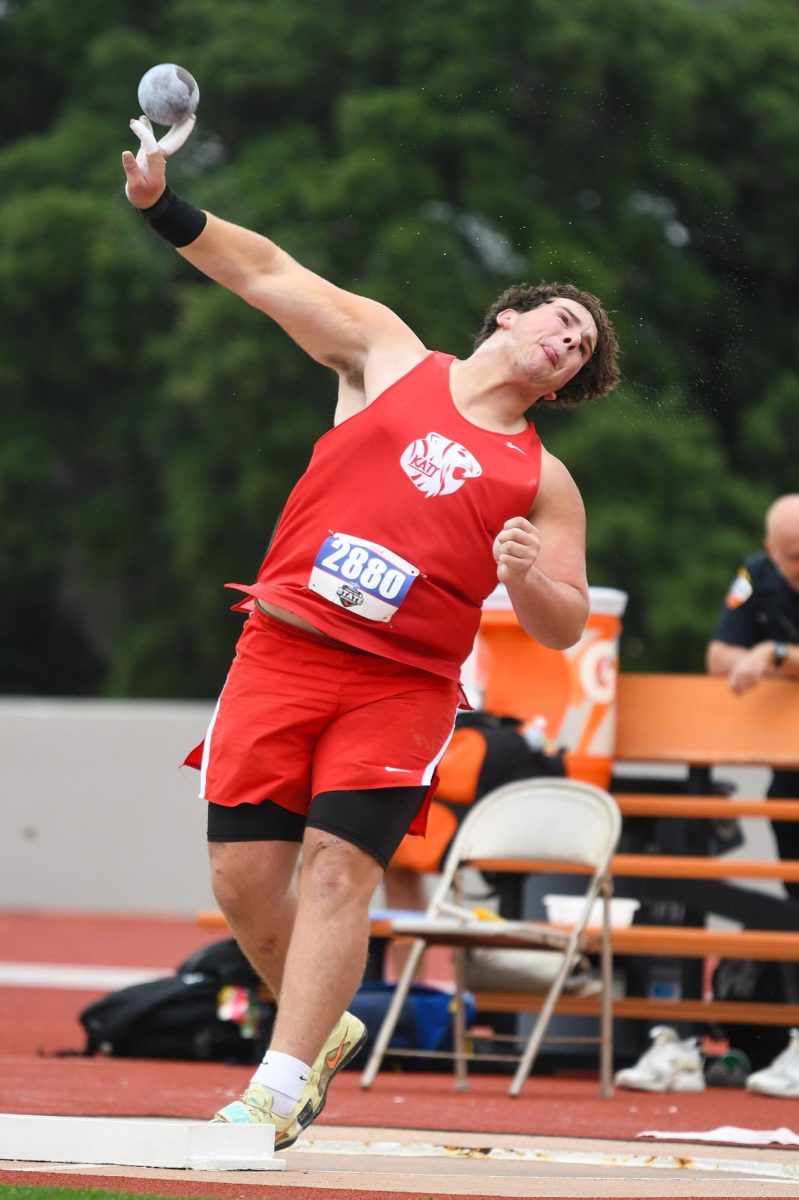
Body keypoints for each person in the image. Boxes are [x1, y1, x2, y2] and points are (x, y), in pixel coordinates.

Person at [121, 122, 620, 1149]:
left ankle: (278, 1082)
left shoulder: (542, 480)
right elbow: (267, 271)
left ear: (564, 386)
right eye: (560, 321)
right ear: (507, 316)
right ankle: (324, 1024)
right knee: (243, 882)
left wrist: (527, 578)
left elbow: (564, 624)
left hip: (400, 686)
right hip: (283, 645)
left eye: (578, 350)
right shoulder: (390, 358)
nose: (566, 342)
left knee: (339, 868)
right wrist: (161, 206)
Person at [706, 493, 799, 900]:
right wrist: (761, 659)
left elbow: (764, 658)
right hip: (788, 759)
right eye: (796, 556)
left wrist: (774, 655)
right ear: (772, 551)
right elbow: (718, 657)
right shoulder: (757, 575)